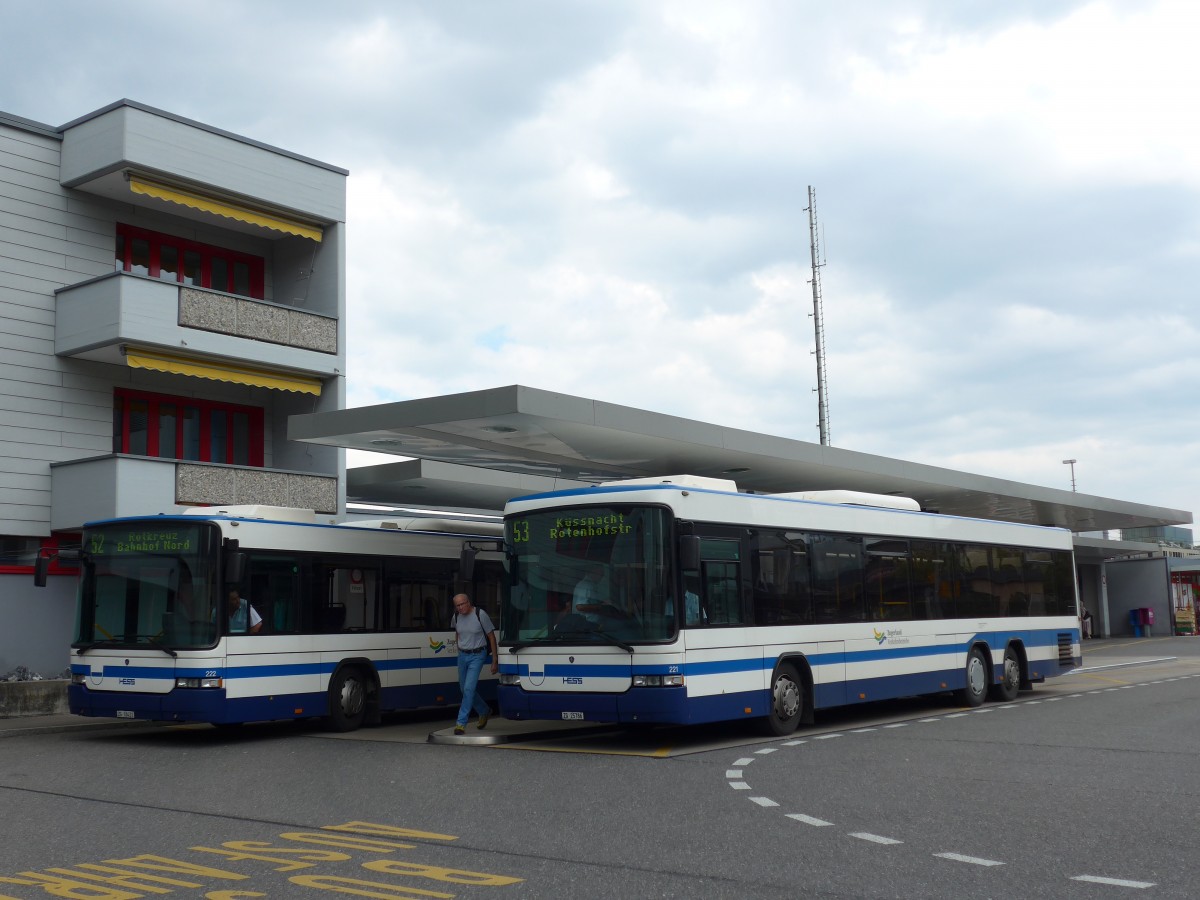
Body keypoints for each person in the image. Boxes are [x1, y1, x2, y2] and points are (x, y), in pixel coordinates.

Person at [452, 592, 497, 735]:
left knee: (469, 689)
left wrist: (495, 660)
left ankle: (461, 723)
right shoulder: (456, 616)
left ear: (468, 602)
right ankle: (484, 711)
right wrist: (459, 647)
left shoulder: (480, 614)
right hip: (462, 655)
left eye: (462, 604)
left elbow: (491, 636)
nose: (460, 608)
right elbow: (457, 632)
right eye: (457, 605)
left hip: (478, 655)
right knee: (463, 689)